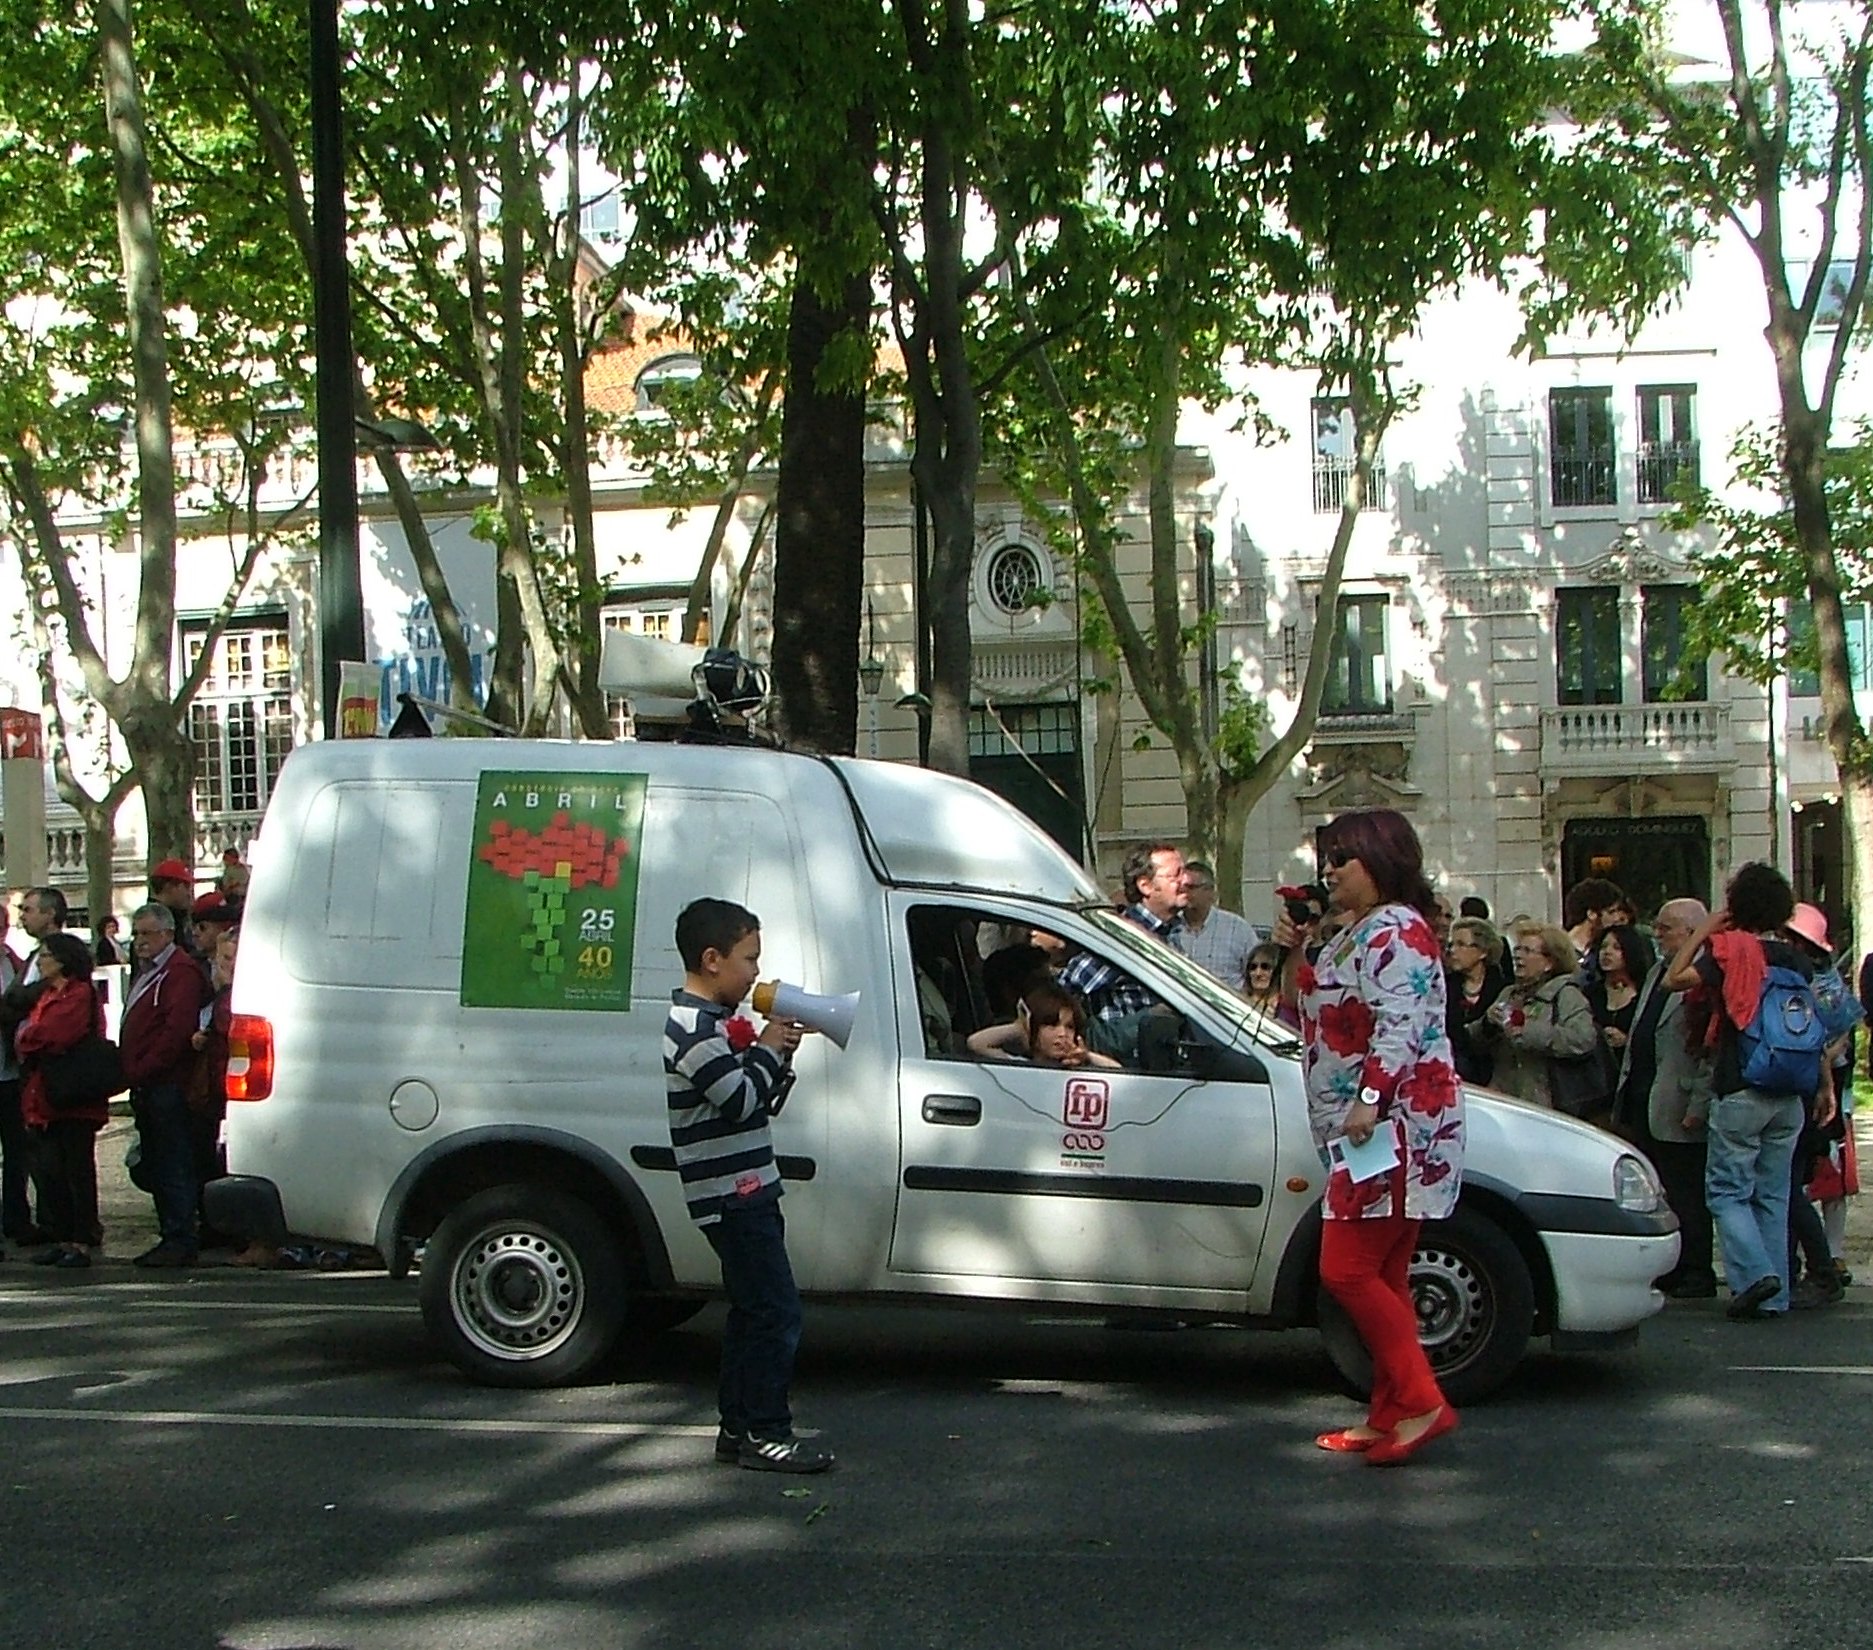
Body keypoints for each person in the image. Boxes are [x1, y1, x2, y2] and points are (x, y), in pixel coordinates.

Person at [1273, 807, 1463, 1467]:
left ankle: (1420, 1401)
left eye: (1340, 860)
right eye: (1325, 860)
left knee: (1346, 1269)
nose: (1328, 872)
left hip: (1390, 1126)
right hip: (1371, 1124)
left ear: (1380, 860)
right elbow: (1302, 1010)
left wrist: (1369, 1100)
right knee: (1384, 1272)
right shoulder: (1356, 931)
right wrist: (1295, 948)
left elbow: (1400, 1024)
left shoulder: (1396, 931)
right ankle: (1391, 1412)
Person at [665, 897, 831, 1474]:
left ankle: (736, 1428)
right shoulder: (691, 1029)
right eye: (749, 958)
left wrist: (775, 1056)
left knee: (751, 1312)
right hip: (732, 1194)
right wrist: (766, 1048)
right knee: (776, 1315)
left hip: (747, 1187)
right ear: (712, 960)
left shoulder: (711, 1024)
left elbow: (758, 1102)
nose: (757, 972)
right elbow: (738, 1101)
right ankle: (767, 1433)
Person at [1664, 862, 1825, 1320]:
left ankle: (1756, 1275)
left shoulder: (1731, 950)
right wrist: (1824, 1085)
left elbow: (1675, 978)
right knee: (1772, 1194)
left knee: (1727, 1192)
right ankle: (1775, 1297)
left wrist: (1707, 930)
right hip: (1789, 1091)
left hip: (1742, 1083)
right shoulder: (1795, 958)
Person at [1612, 900, 1717, 1298]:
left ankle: (1696, 1268)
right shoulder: (1658, 971)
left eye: (1666, 927)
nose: (1657, 934)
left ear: (1691, 931)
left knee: (1686, 1190)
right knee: (1659, 1188)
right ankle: (1668, 1265)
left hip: (1679, 1098)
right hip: (1646, 1094)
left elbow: (1708, 1048)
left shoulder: (1701, 974)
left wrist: (1698, 1105)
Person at [120, 902, 208, 1268]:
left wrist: (144, 1067)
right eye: (136, 934)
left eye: (147, 934)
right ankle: (171, 1232)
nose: (140, 941)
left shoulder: (179, 973)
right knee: (158, 1161)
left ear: (168, 935)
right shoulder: (148, 972)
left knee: (172, 1162)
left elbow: (175, 1031)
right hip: (148, 1083)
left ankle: (180, 1236)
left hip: (166, 1084)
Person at [14, 933, 109, 1269]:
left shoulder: (79, 993)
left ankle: (82, 1239)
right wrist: (28, 1037)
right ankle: (63, 1237)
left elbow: (52, 1034)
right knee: (52, 1171)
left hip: (73, 1093)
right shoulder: (49, 994)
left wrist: (28, 1037)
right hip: (46, 1094)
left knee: (75, 1169)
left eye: (47, 955)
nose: (41, 961)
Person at [1781, 903, 1857, 1309]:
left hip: (1810, 1098)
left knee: (1791, 1187)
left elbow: (1836, 1048)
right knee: (1790, 1185)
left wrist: (1821, 1067)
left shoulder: (1815, 987)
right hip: (1810, 1094)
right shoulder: (1820, 984)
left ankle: (1818, 1267)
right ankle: (1798, 1265)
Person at [1058, 841, 1188, 1058]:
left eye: (1184, 872)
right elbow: (1065, 988)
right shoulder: (1124, 938)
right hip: (1126, 1068)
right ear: (1145, 886)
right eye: (1175, 875)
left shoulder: (1169, 933)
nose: (1186, 880)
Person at [1479, 923, 1600, 1112]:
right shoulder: (1509, 993)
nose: (1518, 956)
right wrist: (1487, 1024)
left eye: (1527, 951)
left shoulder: (1567, 995)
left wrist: (1529, 1032)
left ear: (1549, 962)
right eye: (1517, 949)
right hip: (1503, 1100)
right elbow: (1474, 1041)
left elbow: (1583, 1039)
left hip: (1545, 1104)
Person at [967, 982, 1120, 1068]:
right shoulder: (1020, 1067)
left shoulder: (1079, 1071)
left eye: (1069, 1027)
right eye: (1051, 1025)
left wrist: (1087, 1056)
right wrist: (1021, 1027)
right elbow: (976, 1043)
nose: (1062, 1033)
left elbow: (1118, 1073)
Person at [1587, 925, 1655, 1105]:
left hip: (1634, 1082)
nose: (1607, 952)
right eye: (1603, 947)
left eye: (1616, 947)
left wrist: (1627, 1041)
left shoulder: (1645, 993)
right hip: (1596, 1080)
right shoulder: (1590, 993)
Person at [1173, 860, 1261, 991]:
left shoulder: (1237, 928)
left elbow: (1260, 974)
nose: (1184, 892)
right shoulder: (1170, 929)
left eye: (1191, 887)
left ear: (1209, 891)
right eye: (1181, 888)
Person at [1445, 916, 1509, 1087]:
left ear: (1483, 952)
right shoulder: (1444, 986)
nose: (1452, 950)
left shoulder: (1503, 988)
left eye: (1461, 944)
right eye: (1451, 944)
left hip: (1494, 1076)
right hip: (1454, 1074)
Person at [1242, 943, 1297, 1029]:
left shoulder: (1287, 1008)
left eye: (1265, 967)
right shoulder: (1238, 999)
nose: (1258, 973)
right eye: (1253, 967)